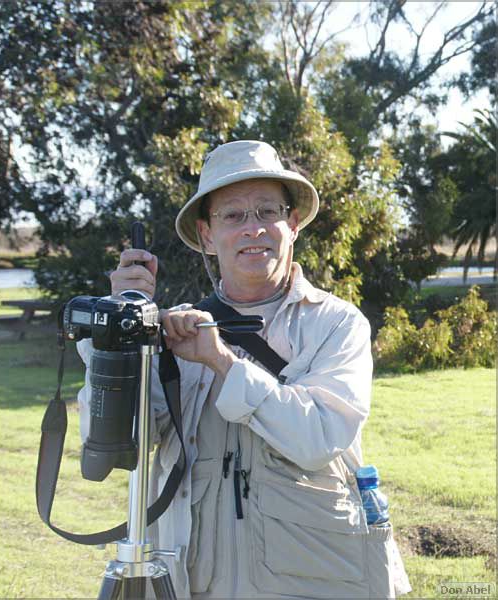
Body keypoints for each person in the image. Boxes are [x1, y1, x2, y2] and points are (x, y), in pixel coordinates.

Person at [77, 140, 410, 599]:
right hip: (193, 581)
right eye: (232, 216)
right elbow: (116, 445)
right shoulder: (172, 332)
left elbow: (318, 436)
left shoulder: (335, 323)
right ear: (208, 236)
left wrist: (221, 361)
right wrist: (116, 337)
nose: (252, 229)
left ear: (292, 225)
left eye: (267, 211)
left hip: (316, 580)